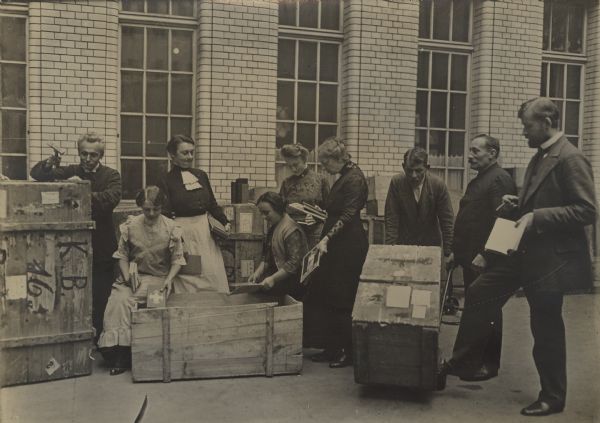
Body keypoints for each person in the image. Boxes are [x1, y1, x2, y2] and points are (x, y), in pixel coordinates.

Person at [442, 98, 596, 417]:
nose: (523, 132)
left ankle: (553, 396)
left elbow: (587, 209)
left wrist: (536, 217)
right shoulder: (540, 156)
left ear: (548, 121)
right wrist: (519, 204)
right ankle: (462, 361)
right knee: (480, 291)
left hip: (550, 261)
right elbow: (541, 200)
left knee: (546, 326)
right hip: (523, 253)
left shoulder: (571, 157)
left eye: (527, 126)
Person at [30, 133, 122, 341]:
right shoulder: (70, 170)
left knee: (100, 295)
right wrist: (49, 163)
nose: (88, 159)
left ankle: (101, 340)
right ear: (79, 153)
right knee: (70, 292)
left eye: (93, 155)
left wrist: (78, 189)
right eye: (84, 154)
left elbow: (108, 201)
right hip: (70, 244)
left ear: (101, 156)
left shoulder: (112, 175)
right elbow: (37, 175)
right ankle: (75, 339)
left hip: (101, 244)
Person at [447, 134, 517, 381]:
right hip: (471, 258)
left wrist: (487, 255)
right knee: (478, 311)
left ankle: (489, 364)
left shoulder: (499, 180)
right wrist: (457, 251)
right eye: (470, 150)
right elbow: (469, 218)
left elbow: (506, 223)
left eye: (476, 151)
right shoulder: (480, 180)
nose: (470, 156)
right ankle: (472, 361)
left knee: (489, 310)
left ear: (493, 153)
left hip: (486, 260)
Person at [98, 186, 186, 375]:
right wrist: (127, 276)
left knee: (155, 305)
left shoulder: (171, 228)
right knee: (120, 300)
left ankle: (137, 353)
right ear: (140, 208)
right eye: (147, 209)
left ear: (162, 207)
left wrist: (169, 280)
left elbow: (178, 259)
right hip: (135, 278)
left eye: (156, 209)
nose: (152, 213)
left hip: (159, 280)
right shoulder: (130, 225)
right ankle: (119, 351)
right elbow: (122, 255)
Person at [304, 137, 369, 368]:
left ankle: (346, 351)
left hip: (348, 245)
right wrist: (319, 215)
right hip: (335, 242)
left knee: (343, 297)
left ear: (337, 159)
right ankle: (332, 347)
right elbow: (335, 210)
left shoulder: (355, 179)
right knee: (329, 293)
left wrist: (327, 238)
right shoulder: (343, 176)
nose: (323, 168)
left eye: (324, 163)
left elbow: (349, 214)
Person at [157, 135, 230, 294]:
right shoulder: (166, 180)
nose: (190, 157)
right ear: (172, 155)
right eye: (185, 153)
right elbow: (166, 213)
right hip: (183, 232)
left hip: (205, 232)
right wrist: (175, 237)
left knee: (210, 272)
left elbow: (212, 204)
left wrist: (224, 221)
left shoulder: (201, 175)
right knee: (189, 272)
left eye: (192, 152)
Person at [384, 147, 454, 266]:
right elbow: (391, 218)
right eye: (409, 170)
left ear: (427, 168)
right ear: (403, 166)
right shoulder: (397, 183)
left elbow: (447, 221)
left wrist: (448, 252)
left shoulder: (438, 185)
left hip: (430, 246)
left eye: (419, 170)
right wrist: (391, 249)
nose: (413, 175)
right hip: (404, 245)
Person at [249, 192, 308, 299]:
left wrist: (272, 279)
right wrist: (257, 273)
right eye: (261, 213)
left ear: (278, 209)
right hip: (279, 278)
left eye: (266, 213)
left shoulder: (291, 230)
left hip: (293, 283)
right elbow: (267, 255)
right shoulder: (273, 227)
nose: (263, 217)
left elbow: (293, 264)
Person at [279, 144, 330, 248]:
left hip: (315, 233)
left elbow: (330, 210)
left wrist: (317, 217)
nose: (293, 169)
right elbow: (280, 209)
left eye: (296, 164)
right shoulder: (286, 183)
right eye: (289, 166)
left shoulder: (321, 180)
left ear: (304, 160)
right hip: (292, 233)